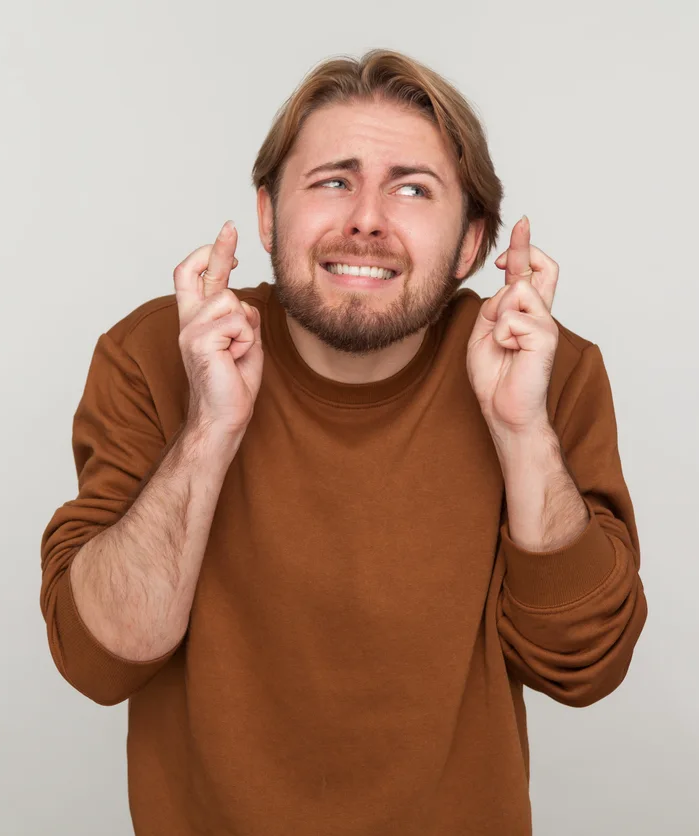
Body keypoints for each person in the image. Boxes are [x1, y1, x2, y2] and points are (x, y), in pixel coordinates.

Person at [40, 48, 647, 835]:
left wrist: (522, 432)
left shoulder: (539, 367)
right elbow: (101, 659)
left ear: (471, 244)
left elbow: (585, 668)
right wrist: (210, 428)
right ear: (267, 215)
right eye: (333, 180)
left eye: (412, 188)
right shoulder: (158, 354)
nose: (366, 218)